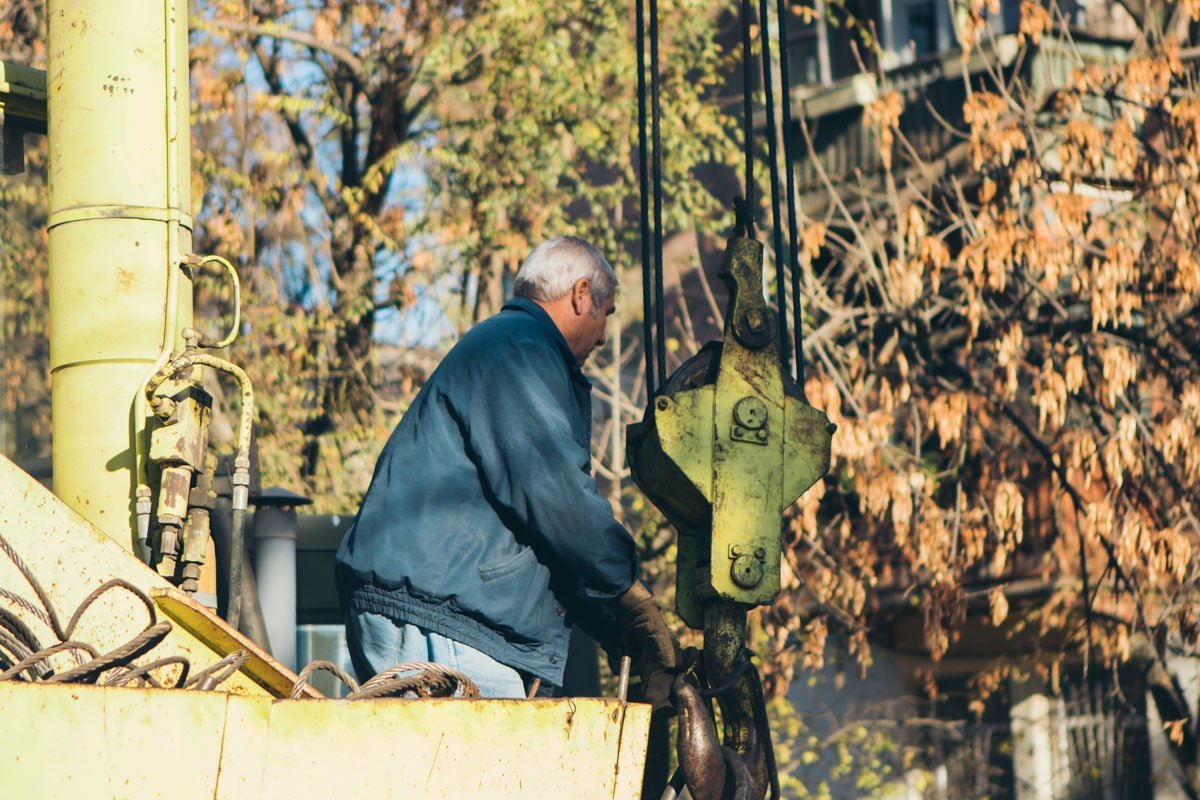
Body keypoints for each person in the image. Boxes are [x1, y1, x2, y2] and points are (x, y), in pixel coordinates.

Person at [335, 236, 677, 703]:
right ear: (580, 295)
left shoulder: (504, 348)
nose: (602, 336)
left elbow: (546, 540)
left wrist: (617, 631)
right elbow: (557, 499)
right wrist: (629, 593)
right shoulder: (519, 352)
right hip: (445, 618)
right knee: (488, 775)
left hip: (428, 607)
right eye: (605, 314)